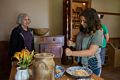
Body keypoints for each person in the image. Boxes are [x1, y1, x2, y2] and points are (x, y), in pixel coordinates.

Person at [65, 8, 103, 76]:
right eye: (81, 20)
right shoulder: (83, 30)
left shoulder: (98, 33)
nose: (81, 23)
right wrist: (72, 44)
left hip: (92, 66)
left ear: (91, 21)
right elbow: (81, 45)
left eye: (84, 21)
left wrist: (71, 53)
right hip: (80, 63)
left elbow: (90, 52)